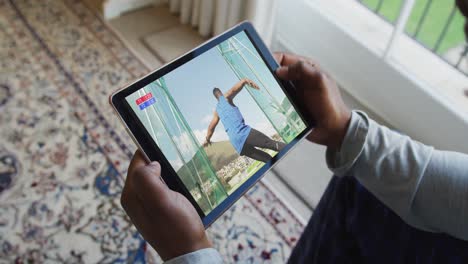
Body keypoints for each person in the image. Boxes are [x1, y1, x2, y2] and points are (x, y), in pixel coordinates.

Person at [120, 1, 468, 262]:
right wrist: (347, 130)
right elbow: (217, 118)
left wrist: (189, 252)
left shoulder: (219, 105)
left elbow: (219, 114)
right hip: (244, 138)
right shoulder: (220, 105)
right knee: (341, 177)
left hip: (243, 140)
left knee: (266, 149)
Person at [202, 80, 286, 163]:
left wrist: (207, 139)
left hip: (237, 143)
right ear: (220, 93)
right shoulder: (225, 97)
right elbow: (234, 90)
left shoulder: (217, 111)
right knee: (272, 144)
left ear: (215, 98)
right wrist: (244, 81)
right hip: (243, 133)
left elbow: (211, 127)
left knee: (266, 159)